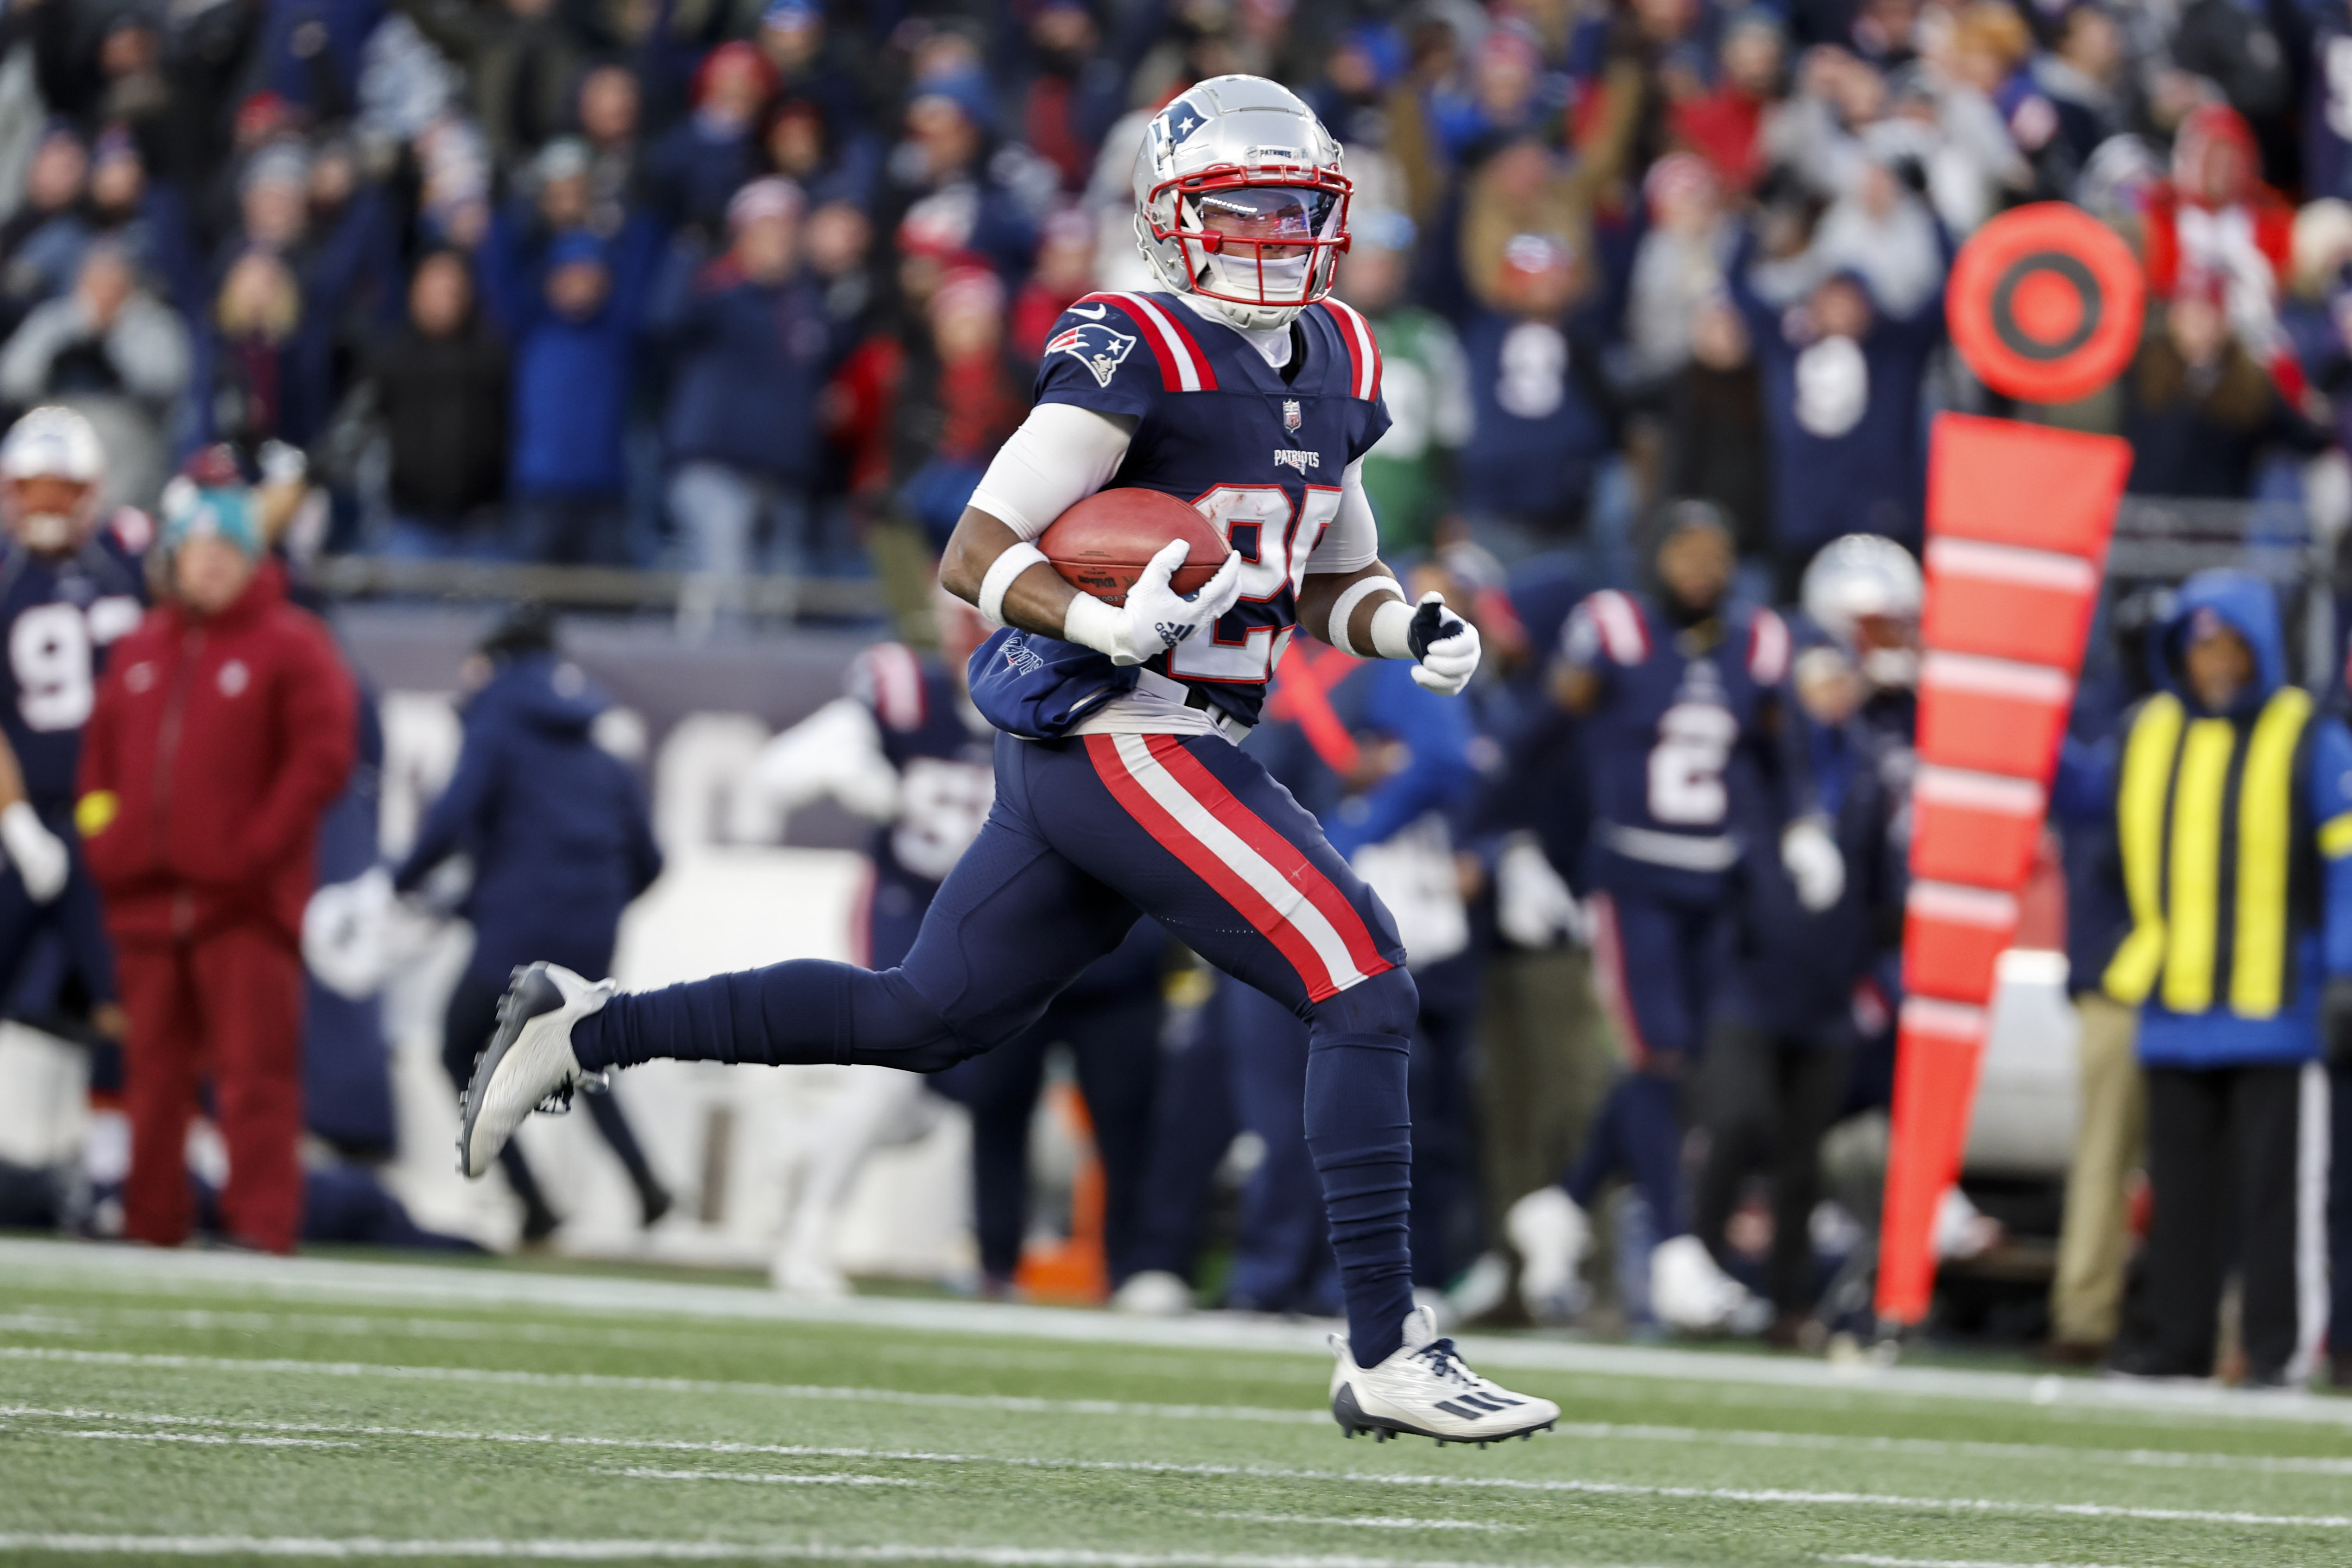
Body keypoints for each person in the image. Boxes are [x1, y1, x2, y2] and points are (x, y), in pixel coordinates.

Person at [457, 76, 1558, 1447]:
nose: (1274, 232)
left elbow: (1323, 576)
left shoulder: (1340, 354)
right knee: (1361, 977)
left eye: (1297, 206)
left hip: (1163, 738)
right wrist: (1102, 613)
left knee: (928, 1015)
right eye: (1243, 206)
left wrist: (1405, 625)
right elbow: (979, 548)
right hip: (1121, 725)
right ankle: (1388, 1347)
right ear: (1170, 219)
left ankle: (585, 1026)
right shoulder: (1134, 343)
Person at [1507, 502, 1838, 1333]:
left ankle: (1565, 1204)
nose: (1703, 569)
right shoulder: (1614, 633)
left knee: (1673, 1066)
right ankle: (1679, 1248)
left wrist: (1802, 826)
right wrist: (1512, 835)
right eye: (1687, 551)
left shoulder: (1757, 647)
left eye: (1716, 552)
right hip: (1633, 881)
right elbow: (1540, 739)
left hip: (1711, 885)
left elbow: (1780, 748)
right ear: (1655, 557)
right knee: (1655, 1059)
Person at [77, 474, 356, 1253]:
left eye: (226, 550)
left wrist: (255, 848)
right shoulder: (141, 647)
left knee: (254, 1074)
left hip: (245, 906)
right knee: (153, 1079)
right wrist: (107, 837)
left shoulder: (292, 643)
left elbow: (324, 757)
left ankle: (260, 1227)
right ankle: (151, 1223)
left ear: (251, 558)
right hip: (145, 902)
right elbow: (96, 766)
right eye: (196, 550)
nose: (209, 565)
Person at [2093, 573, 2352, 1387]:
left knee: (2279, 1196)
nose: (2215, 664)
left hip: (2275, 1003)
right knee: (2179, 1191)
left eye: (2229, 646)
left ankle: (2277, 1350)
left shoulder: (2308, 735)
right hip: (2175, 1001)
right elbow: (2076, 796)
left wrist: (2343, 970)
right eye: (2199, 648)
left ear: (2259, 648)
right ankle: (2178, 1344)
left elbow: (2347, 864)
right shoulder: (2150, 730)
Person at [397, 605, 670, 1245]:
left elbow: (450, 816)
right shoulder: (602, 749)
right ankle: (646, 1183)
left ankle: (532, 1199)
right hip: (589, 929)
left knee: (455, 1048)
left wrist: (401, 880)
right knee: (573, 1048)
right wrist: (591, 906)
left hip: (515, 930)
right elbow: (652, 860)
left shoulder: (496, 726)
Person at [0, 409, 146, 1050]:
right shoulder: (6, 580)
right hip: (23, 826)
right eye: (36, 488)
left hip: (113, 818)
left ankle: (143, 1147)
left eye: (63, 487)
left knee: (129, 1002)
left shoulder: (131, 566)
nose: (49, 504)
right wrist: (14, 821)